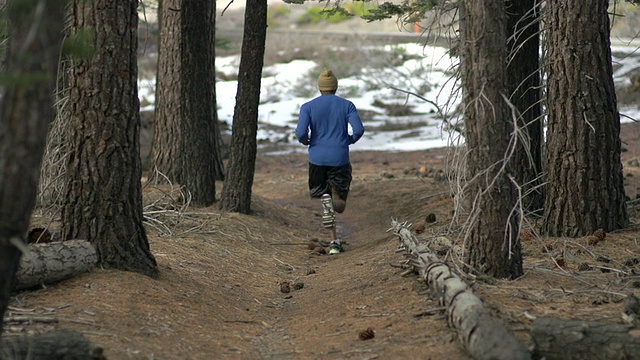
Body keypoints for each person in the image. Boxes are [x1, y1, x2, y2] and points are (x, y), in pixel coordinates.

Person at [295, 68, 365, 254]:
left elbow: (301, 132)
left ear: (320, 88)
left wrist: (306, 141)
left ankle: (334, 242)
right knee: (338, 202)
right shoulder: (347, 105)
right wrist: (347, 140)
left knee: (324, 201)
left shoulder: (308, 107)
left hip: (317, 159)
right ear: (335, 87)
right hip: (339, 158)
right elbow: (358, 129)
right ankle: (337, 201)